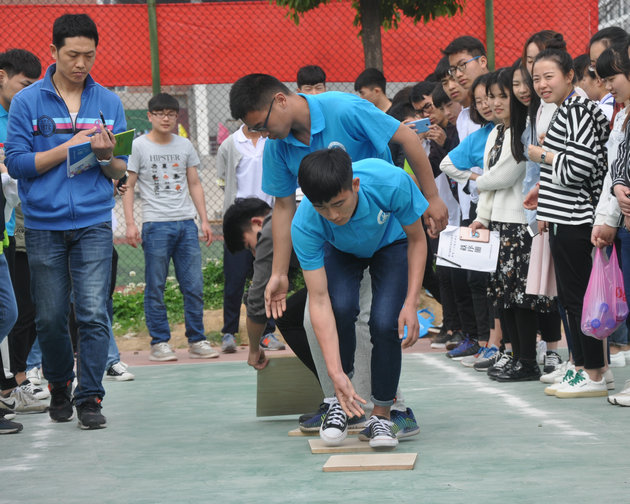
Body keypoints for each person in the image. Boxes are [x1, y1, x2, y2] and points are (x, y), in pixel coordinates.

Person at [229, 73, 437, 438]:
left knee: (377, 321)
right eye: (254, 131)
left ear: (280, 100)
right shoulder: (282, 154)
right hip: (337, 241)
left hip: (382, 227)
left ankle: (388, 408)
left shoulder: (346, 109)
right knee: (321, 316)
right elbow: (282, 207)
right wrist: (279, 271)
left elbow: (405, 137)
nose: (262, 135)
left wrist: (432, 198)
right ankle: (340, 401)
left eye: (261, 125)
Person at [5, 13, 126, 429]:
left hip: (93, 220)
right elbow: (18, 164)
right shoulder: (27, 102)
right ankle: (59, 383)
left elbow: (118, 169)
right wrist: (68, 147)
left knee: (93, 312)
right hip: (42, 224)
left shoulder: (108, 102)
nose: (81, 63)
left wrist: (109, 158)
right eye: (72, 54)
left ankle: (89, 397)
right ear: (53, 51)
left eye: (89, 55)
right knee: (51, 316)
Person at [291, 148, 428, 448]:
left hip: (390, 245)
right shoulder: (305, 223)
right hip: (340, 251)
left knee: (383, 322)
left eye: (338, 204)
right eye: (322, 208)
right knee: (340, 307)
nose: (333, 215)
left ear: (354, 185)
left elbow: (418, 240)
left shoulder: (390, 182)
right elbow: (318, 299)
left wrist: (411, 302)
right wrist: (335, 372)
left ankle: (380, 416)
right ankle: (340, 404)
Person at [529, 49, 611, 398]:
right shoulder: (567, 109)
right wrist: (544, 197)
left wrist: (541, 155)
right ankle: (583, 366)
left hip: (577, 219)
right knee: (572, 298)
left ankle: (593, 372)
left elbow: (577, 169)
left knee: (578, 299)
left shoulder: (577, 109)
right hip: (565, 218)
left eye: (549, 76)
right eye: (536, 78)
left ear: (569, 77)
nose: (542, 84)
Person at [123, 93, 219, 362]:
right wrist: (130, 223)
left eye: (171, 114)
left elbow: (195, 184)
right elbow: (128, 186)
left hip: (186, 225)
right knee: (155, 285)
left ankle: (197, 339)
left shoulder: (185, 145)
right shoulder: (138, 146)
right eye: (160, 113)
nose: (166, 118)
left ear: (177, 117)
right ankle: (160, 342)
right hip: (155, 225)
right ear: (150, 116)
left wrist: (204, 219)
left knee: (194, 285)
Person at [216, 123, 280, 354]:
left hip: (268, 220)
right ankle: (229, 333)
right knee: (234, 281)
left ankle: (267, 332)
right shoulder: (229, 144)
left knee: (266, 278)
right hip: (240, 222)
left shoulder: (272, 140)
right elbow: (224, 181)